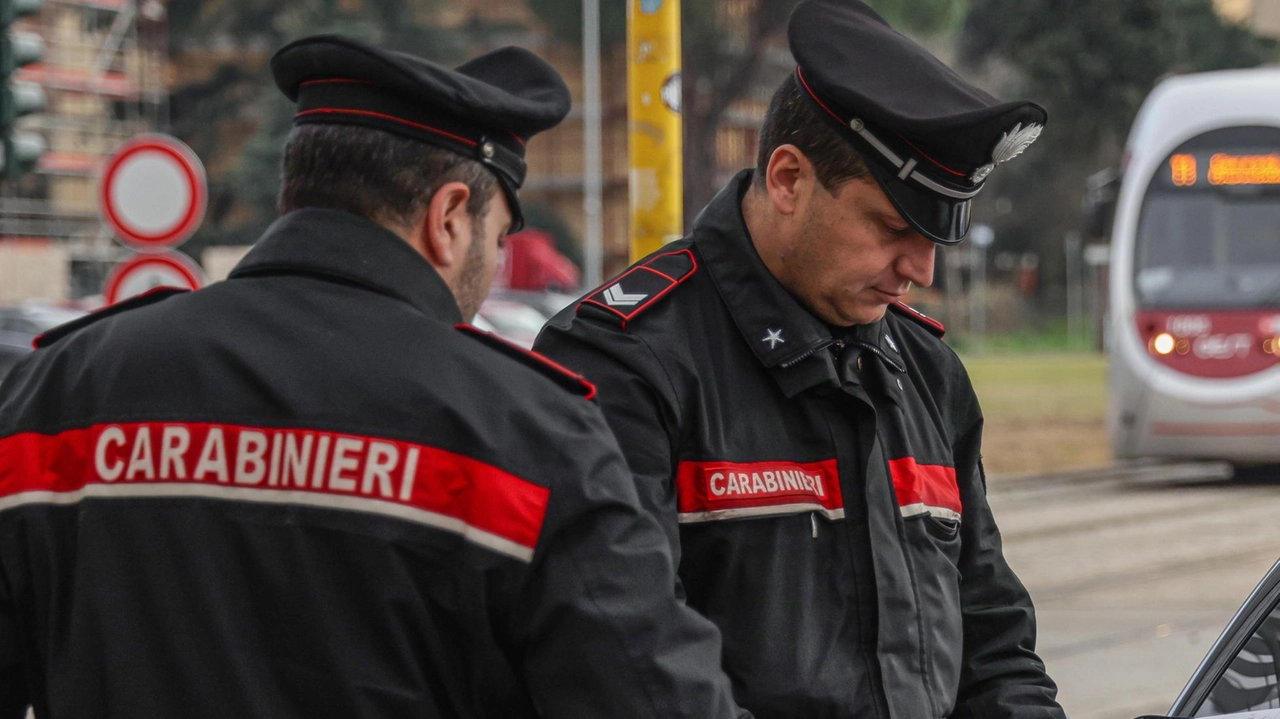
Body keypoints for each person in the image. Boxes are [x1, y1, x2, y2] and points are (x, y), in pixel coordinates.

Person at [0, 35, 749, 719]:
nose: (491, 269)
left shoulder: (56, 395)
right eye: (497, 238)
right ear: (449, 216)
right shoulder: (527, 434)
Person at [534, 2, 1066, 718]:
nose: (921, 269)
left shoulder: (925, 374)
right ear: (788, 179)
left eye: (939, 239)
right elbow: (621, 665)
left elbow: (996, 644)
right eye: (893, 227)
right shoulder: (623, 361)